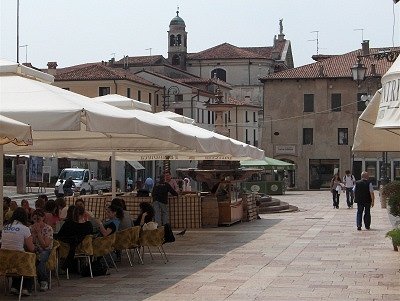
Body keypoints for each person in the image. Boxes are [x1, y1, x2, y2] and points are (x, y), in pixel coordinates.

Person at [1, 207, 35, 296]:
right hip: (19, 261)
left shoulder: (5, 227)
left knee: (16, 257)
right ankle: (26, 287)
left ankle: (15, 286)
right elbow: (31, 248)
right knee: (31, 260)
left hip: (4, 261)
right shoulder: (25, 229)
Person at [57, 205, 93, 271]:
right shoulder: (89, 225)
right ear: (84, 214)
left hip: (68, 250)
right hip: (84, 249)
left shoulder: (68, 224)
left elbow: (60, 236)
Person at [30, 209, 53, 292]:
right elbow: (30, 243)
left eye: (38, 219)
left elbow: (45, 245)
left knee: (40, 259)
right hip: (34, 249)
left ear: (43, 218)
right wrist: (33, 234)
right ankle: (27, 282)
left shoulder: (48, 228)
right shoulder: (30, 228)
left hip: (45, 250)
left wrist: (39, 233)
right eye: (34, 219)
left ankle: (43, 281)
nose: (36, 221)